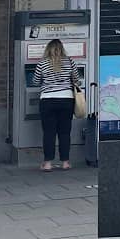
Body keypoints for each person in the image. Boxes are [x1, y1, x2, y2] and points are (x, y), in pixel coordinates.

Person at [31, 38, 78, 171]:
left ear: (48, 49)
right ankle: (65, 162)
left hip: (48, 100)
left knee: (49, 132)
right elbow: (77, 80)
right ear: (62, 48)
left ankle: (47, 163)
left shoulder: (43, 63)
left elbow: (35, 81)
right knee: (64, 132)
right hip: (66, 100)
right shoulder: (69, 62)